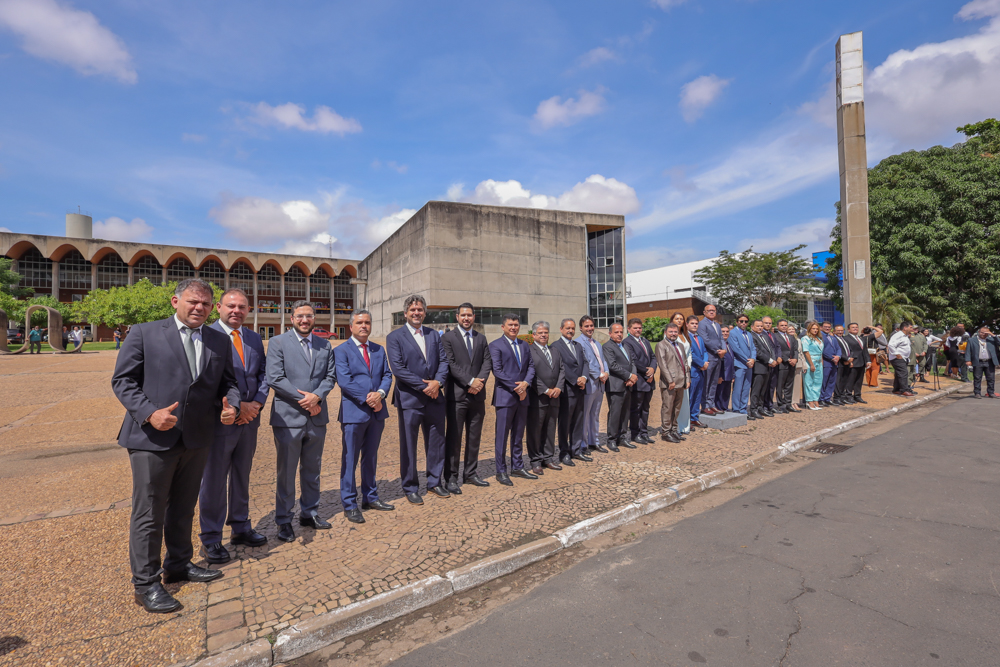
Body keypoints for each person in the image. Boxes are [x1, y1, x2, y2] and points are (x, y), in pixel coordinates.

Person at [111, 278, 239, 614]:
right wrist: (149, 413)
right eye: (193, 302)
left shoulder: (217, 339)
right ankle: (146, 583)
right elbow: (123, 381)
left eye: (206, 304)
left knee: (183, 508)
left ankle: (179, 564)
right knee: (149, 513)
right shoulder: (144, 333)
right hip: (152, 439)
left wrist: (232, 406)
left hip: (196, 438)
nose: (199, 308)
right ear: (175, 301)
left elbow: (229, 382)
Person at [199, 288, 270, 564]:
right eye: (231, 306)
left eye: (242, 307)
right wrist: (239, 406)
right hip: (221, 420)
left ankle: (241, 527)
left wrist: (258, 404)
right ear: (218, 307)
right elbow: (208, 380)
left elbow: (264, 373)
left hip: (250, 421)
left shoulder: (253, 337)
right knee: (214, 481)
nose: (236, 311)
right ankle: (211, 538)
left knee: (242, 474)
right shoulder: (207, 337)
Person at [266, 300, 338, 542]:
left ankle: (310, 512)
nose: (304, 320)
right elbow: (275, 378)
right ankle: (284, 520)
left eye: (309, 316)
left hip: (317, 417)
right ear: (292, 319)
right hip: (288, 418)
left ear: (314, 318)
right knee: (286, 472)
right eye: (300, 316)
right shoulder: (277, 343)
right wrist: (304, 399)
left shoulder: (325, 345)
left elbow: (330, 377)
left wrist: (317, 396)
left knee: (312, 470)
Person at [386, 295, 450, 503]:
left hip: (435, 399)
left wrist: (438, 383)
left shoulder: (434, 335)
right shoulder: (394, 337)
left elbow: (443, 363)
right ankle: (410, 486)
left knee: (436, 443)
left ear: (424, 312)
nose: (416, 313)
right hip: (410, 399)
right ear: (405, 313)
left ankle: (434, 481)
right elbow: (398, 369)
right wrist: (426, 386)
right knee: (408, 445)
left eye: (420, 310)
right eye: (412, 310)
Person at [333, 309, 394, 524]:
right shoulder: (341, 351)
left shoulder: (378, 349)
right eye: (359, 322)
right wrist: (369, 399)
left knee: (371, 457)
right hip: (354, 413)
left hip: (377, 413)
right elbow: (345, 381)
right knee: (350, 459)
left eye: (367, 322)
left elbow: (387, 375)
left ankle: (370, 497)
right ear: (351, 326)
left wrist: (380, 395)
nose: (364, 326)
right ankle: (350, 503)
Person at [441, 303, 492, 492]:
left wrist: (480, 382)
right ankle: (451, 477)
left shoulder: (481, 338)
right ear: (457, 317)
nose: (466, 318)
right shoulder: (447, 338)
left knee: (474, 437)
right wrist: (470, 381)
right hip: (457, 396)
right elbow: (450, 364)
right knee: (454, 438)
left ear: (474, 317)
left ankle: (470, 473)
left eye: (469, 315)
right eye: (463, 315)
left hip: (478, 396)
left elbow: (487, 361)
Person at [488, 313, 536, 485]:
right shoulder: (495, 345)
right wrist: (518, 388)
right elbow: (498, 371)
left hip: (523, 396)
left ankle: (517, 466)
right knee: (502, 435)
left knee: (518, 434)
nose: (514, 327)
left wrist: (526, 384)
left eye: (516, 324)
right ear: (503, 327)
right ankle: (501, 471)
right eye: (510, 325)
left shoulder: (524, 345)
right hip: (505, 397)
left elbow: (531, 366)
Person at [526, 321, 564, 475]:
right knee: (535, 430)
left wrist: (558, 387)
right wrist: (545, 389)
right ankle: (535, 460)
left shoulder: (554, 350)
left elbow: (562, 370)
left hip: (555, 397)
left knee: (550, 428)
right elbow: (530, 373)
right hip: (538, 398)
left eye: (546, 332)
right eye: (540, 333)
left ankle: (548, 458)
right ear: (534, 335)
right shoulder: (529, 351)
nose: (543, 335)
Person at [553, 318, 590, 466]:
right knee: (565, 423)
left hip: (580, 389)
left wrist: (584, 377)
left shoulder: (578, 345)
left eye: (573, 328)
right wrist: (576, 380)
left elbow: (585, 363)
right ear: (561, 329)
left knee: (578, 421)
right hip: (567, 390)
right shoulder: (556, 346)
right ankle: (564, 452)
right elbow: (560, 367)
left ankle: (576, 450)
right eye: (567, 328)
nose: (570, 331)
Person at [603, 322, 638, 451]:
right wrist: (629, 376)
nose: (619, 334)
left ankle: (622, 437)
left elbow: (632, 362)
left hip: (628, 385)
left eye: (620, 332)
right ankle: (611, 439)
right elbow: (612, 365)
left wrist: (633, 376)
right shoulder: (607, 346)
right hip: (616, 385)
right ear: (610, 333)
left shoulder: (625, 346)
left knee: (625, 413)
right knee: (615, 413)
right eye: (616, 332)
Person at [578, 315, 609, 454]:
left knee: (595, 414)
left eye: (591, 326)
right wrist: (599, 374)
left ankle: (594, 441)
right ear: (581, 328)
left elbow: (603, 360)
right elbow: (585, 363)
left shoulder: (596, 343)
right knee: (585, 415)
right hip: (590, 384)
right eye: (586, 326)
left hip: (600, 384)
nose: (590, 328)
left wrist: (606, 372)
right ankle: (583, 444)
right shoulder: (579, 343)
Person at [623, 318, 657, 444]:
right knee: (635, 409)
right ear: (629, 329)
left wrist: (653, 369)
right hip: (639, 380)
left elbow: (653, 357)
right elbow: (633, 360)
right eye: (635, 328)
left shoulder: (645, 341)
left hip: (649, 381)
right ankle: (635, 434)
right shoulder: (627, 342)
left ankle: (644, 433)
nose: (638, 330)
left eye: (639, 327)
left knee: (645, 408)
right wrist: (647, 372)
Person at [655, 323, 689, 443]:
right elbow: (662, 365)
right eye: (671, 332)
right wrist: (670, 380)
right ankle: (665, 432)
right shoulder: (661, 345)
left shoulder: (680, 345)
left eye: (675, 332)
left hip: (681, 381)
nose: (673, 334)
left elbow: (685, 363)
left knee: (677, 408)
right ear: (665, 332)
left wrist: (687, 379)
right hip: (669, 383)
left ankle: (674, 430)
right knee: (668, 408)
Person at [697, 305, 726, 416]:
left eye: (713, 311)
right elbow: (705, 340)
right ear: (704, 312)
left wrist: (724, 349)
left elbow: (721, 339)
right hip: (709, 356)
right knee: (707, 382)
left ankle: (711, 404)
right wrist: (718, 350)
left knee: (714, 382)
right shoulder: (702, 325)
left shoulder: (717, 325)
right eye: (709, 311)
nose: (711, 312)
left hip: (718, 357)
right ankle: (704, 406)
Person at [728, 315, 756, 415]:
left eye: (746, 321)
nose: (743, 323)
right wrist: (747, 360)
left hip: (749, 365)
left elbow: (753, 348)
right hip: (739, 364)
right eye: (741, 321)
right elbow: (736, 349)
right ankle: (736, 409)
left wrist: (753, 359)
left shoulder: (749, 334)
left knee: (746, 388)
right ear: (737, 322)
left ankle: (743, 408)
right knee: (738, 388)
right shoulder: (733, 333)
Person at [671, 312, 693, 434]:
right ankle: (675, 426)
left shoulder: (685, 335)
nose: (679, 321)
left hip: (686, 370)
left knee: (685, 400)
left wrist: (688, 366)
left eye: (681, 319)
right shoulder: (670, 334)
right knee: (676, 401)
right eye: (677, 319)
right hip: (676, 371)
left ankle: (685, 426)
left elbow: (689, 353)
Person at [750, 320, 777, 420]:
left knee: (763, 390)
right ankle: (753, 409)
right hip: (759, 366)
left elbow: (771, 348)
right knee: (756, 390)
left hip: (767, 366)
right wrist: (769, 360)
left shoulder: (764, 336)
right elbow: (757, 351)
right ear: (752, 327)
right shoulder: (752, 336)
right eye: (758, 326)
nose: (760, 328)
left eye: (761, 326)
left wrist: (773, 360)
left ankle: (760, 408)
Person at [839, 322, 870, 404]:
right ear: (848, 329)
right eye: (853, 327)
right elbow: (847, 351)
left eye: (856, 327)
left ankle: (857, 396)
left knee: (859, 381)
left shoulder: (861, 338)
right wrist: (849, 360)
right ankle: (848, 396)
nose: (855, 328)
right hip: (852, 362)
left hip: (862, 362)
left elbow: (865, 351)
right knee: (850, 381)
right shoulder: (846, 338)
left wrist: (868, 361)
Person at [686, 315, 709, 428]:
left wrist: (705, 363)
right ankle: (688, 419)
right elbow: (691, 354)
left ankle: (695, 418)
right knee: (691, 396)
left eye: (696, 324)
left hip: (701, 371)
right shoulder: (686, 337)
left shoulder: (699, 338)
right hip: (693, 371)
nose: (695, 325)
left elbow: (704, 351)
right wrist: (701, 364)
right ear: (687, 325)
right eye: (692, 323)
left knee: (698, 396)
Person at [964, 326, 998, 398]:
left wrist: (992, 334)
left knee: (991, 378)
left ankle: (991, 392)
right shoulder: (972, 340)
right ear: (979, 332)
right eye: (982, 332)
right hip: (978, 361)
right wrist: (968, 360)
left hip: (989, 362)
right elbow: (968, 351)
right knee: (977, 378)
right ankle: (977, 393)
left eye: (986, 333)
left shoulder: (991, 339)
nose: (984, 334)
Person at [773, 319, 799, 413]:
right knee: (780, 386)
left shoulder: (791, 337)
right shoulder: (775, 336)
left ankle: (788, 404)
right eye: (782, 325)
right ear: (778, 326)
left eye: (785, 325)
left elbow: (796, 349)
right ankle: (781, 405)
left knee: (789, 385)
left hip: (792, 364)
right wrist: (787, 359)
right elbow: (777, 350)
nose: (784, 327)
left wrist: (795, 359)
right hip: (782, 364)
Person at [887, 321, 915, 397]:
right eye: (911, 327)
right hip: (897, 358)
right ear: (905, 328)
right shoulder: (898, 335)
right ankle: (904, 390)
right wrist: (897, 354)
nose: (912, 329)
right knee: (903, 373)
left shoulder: (905, 336)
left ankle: (896, 389)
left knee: (899, 373)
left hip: (904, 358)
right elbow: (890, 345)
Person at [801, 321, 824, 410]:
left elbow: (821, 352)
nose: (815, 330)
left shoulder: (819, 339)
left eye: (816, 329)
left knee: (818, 382)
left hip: (819, 361)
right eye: (813, 328)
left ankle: (815, 400)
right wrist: (811, 364)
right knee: (809, 382)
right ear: (809, 329)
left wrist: (821, 362)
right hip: (810, 361)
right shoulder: (806, 338)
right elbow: (806, 352)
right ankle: (809, 401)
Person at [760, 316, 780, 411]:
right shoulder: (761, 334)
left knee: (772, 386)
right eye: (766, 323)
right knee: (765, 387)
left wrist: (778, 357)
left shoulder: (773, 335)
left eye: (770, 323)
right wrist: (770, 360)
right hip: (766, 364)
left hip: (775, 364)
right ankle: (763, 406)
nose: (768, 325)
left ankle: (770, 405)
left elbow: (777, 347)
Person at [714, 325, 735, 412]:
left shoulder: (729, 344)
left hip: (729, 373)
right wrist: (718, 375)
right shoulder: (718, 344)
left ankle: (725, 408)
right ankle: (719, 408)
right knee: (719, 392)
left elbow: (731, 360)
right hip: (721, 374)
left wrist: (733, 374)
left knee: (726, 393)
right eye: (723, 331)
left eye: (727, 331)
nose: (725, 333)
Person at [820, 321, 840, 406]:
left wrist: (838, 356)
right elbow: (822, 350)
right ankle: (821, 399)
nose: (827, 328)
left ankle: (827, 398)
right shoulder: (820, 336)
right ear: (821, 327)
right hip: (826, 362)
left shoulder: (833, 337)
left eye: (829, 327)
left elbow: (838, 348)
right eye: (825, 327)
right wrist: (832, 358)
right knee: (824, 382)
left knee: (831, 382)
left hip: (834, 363)